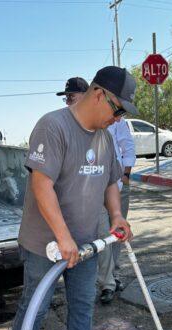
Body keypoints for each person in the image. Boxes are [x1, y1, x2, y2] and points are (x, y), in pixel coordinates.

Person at [7, 66, 136, 330]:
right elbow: (41, 184)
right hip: (45, 244)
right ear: (98, 95)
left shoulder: (105, 136)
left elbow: (111, 181)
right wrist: (63, 237)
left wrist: (116, 217)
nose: (118, 118)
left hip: (86, 242)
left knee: (83, 305)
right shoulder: (54, 126)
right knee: (33, 311)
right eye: (118, 109)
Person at [56, 76, 135, 305]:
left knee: (109, 238)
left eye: (72, 96)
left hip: (110, 192)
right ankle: (103, 282)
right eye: (67, 98)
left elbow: (122, 155)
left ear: (91, 94)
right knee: (101, 238)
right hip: (86, 199)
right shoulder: (59, 126)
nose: (69, 101)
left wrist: (125, 178)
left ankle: (109, 281)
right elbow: (45, 185)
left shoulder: (110, 126)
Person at [98, 99, 135, 304]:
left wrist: (126, 174)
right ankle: (107, 283)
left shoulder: (118, 122)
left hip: (119, 186)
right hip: (97, 190)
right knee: (103, 234)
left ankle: (114, 275)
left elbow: (127, 145)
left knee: (118, 233)